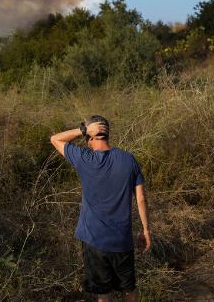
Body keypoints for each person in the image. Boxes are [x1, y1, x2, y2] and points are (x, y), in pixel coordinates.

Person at [50, 115, 151, 302]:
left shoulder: (84, 158)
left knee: (103, 293)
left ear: (91, 135)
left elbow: (55, 139)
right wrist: (145, 230)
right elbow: (141, 197)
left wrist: (82, 131)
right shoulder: (129, 159)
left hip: (94, 240)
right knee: (129, 289)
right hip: (122, 241)